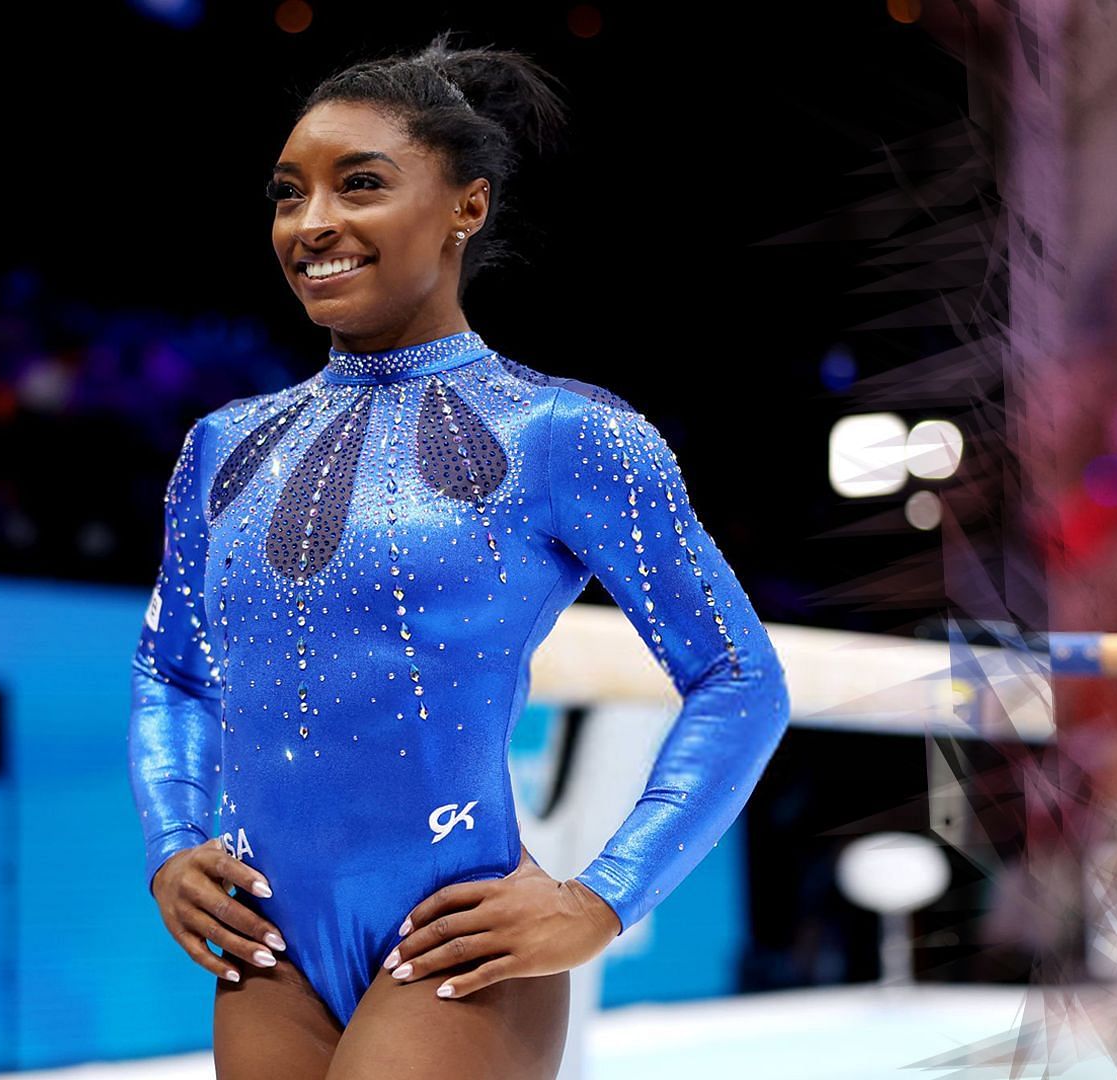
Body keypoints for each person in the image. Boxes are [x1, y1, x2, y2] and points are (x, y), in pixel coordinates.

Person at [127, 32, 790, 1078]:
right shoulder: (223, 444)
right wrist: (171, 840)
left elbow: (740, 677)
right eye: (288, 193)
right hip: (270, 949)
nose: (314, 224)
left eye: (361, 186)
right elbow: (170, 671)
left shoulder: (566, 434)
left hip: (456, 944)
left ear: (466, 207)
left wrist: (606, 897)